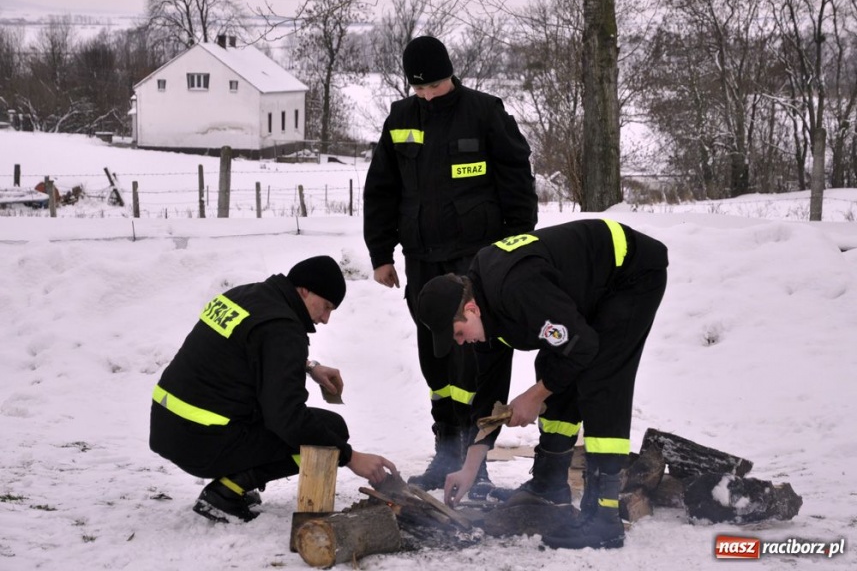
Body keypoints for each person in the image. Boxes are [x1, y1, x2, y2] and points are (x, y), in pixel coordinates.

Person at [416, 219, 668, 549]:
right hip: (587, 290)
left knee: (600, 378)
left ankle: (603, 516)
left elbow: (582, 346)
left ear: (471, 308)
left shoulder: (516, 289)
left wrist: (535, 396)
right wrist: (469, 467)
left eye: (459, 334)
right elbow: (489, 389)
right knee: (554, 363)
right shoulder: (485, 302)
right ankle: (549, 484)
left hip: (630, 273)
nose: (461, 343)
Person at [363, 35, 538, 500]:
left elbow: (518, 181)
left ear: (450, 75)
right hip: (422, 261)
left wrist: (517, 247)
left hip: (478, 258)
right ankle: (447, 453)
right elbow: (381, 189)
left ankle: (474, 459)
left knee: (477, 359)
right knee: (436, 355)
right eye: (419, 89)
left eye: (436, 86)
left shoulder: (484, 113)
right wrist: (381, 254)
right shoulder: (400, 119)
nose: (428, 96)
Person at [149, 255, 397, 523]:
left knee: (312, 427)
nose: (325, 319)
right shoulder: (283, 328)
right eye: (325, 307)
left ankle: (232, 482)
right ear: (304, 290)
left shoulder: (247, 296)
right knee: (331, 430)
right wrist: (349, 456)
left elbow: (246, 350)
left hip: (169, 426)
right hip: (201, 441)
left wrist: (309, 366)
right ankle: (225, 492)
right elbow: (287, 419)